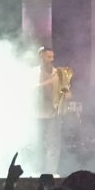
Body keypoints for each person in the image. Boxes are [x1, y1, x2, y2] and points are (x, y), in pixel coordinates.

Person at [36, 46, 65, 174]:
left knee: (53, 145)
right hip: (36, 114)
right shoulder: (33, 73)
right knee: (38, 145)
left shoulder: (58, 73)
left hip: (53, 114)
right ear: (41, 57)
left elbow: (69, 94)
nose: (52, 59)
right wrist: (46, 84)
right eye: (49, 57)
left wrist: (64, 92)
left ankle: (51, 173)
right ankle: (37, 173)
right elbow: (28, 89)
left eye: (53, 57)